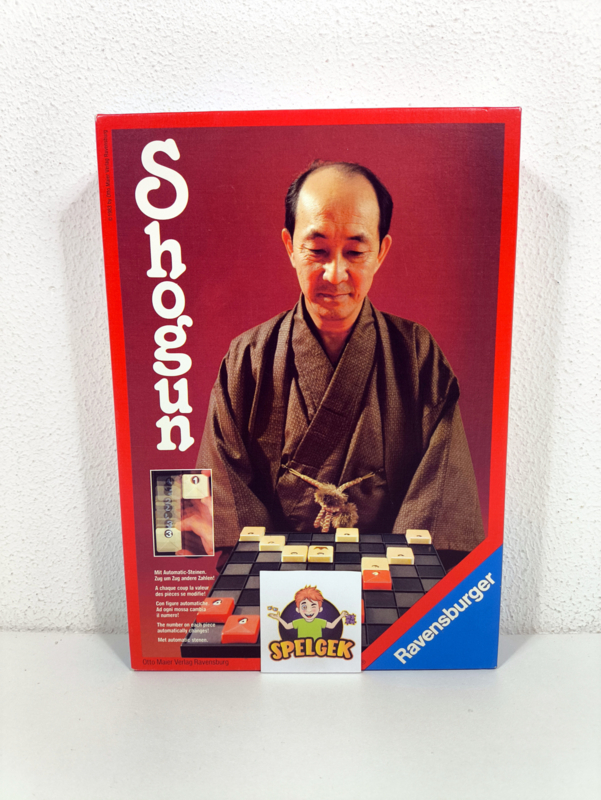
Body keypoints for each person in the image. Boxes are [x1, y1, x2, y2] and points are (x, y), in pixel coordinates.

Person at [195, 161, 485, 569]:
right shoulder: (248, 358)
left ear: (381, 251)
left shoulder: (416, 354)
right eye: (317, 251)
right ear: (289, 246)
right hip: (275, 578)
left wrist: (393, 580)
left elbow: (440, 501)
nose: (334, 274)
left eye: (355, 251)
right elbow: (224, 500)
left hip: (390, 579)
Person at [269, 586, 346, 641]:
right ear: (298, 610)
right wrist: (278, 618)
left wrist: (341, 616)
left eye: (313, 606)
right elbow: (287, 626)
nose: (309, 610)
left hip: (318, 649)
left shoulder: (320, 622)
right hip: (301, 648)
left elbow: (332, 626)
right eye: (304, 607)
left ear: (320, 609)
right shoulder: (298, 622)